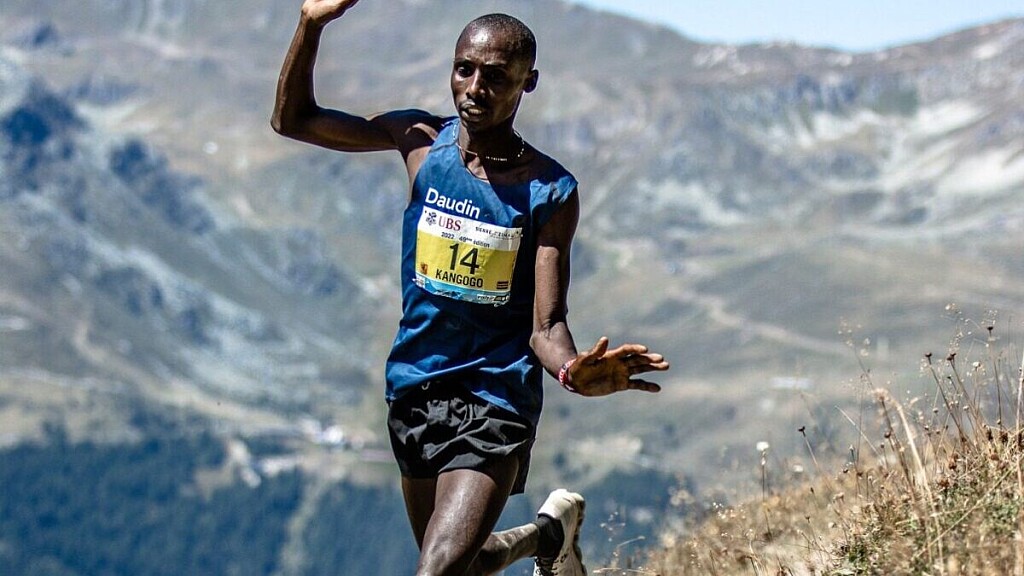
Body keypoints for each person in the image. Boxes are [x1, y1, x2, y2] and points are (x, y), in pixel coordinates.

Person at [272, 1, 670, 574]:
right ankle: (551, 533)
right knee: (469, 562)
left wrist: (570, 370)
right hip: (414, 387)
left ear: (528, 83)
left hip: (496, 397)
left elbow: (546, 325)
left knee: (436, 569)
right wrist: (310, 24)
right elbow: (293, 120)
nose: (475, 88)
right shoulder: (420, 144)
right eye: (464, 70)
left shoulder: (549, 189)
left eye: (497, 76)